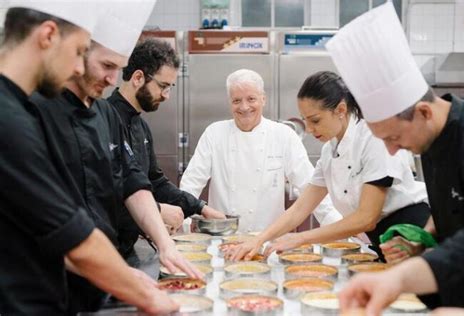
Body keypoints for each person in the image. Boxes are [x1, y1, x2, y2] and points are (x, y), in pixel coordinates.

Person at [0, 1, 177, 315]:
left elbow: (132, 179)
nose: (79, 68)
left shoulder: (103, 113)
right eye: (81, 51)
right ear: (48, 35)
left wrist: (160, 249)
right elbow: (64, 230)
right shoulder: (19, 116)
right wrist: (144, 293)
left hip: (85, 281)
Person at [325, 1, 464, 312]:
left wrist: (399, 280)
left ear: (423, 112)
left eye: (393, 138)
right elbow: (455, 207)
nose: (392, 150)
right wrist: (421, 237)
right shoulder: (430, 139)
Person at [228, 70, 430, 261]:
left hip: (412, 234)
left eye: (315, 120)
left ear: (340, 110)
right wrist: (259, 239)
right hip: (382, 240)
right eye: (306, 120)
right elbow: (300, 209)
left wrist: (300, 238)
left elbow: (367, 217)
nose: (309, 129)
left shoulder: (372, 138)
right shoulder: (329, 151)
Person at [180, 68, 342, 233]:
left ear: (263, 99)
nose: (244, 107)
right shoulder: (214, 133)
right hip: (222, 237)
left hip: (268, 238)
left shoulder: (283, 135)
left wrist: (336, 225)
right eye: (237, 100)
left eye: (251, 99)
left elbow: (308, 185)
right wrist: (181, 220)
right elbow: (192, 182)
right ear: (230, 102)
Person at [107, 38, 226, 254]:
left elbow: (155, 181)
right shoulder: (104, 120)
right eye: (162, 86)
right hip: (103, 248)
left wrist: (200, 207)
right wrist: (158, 211)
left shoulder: (141, 126)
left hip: (127, 247)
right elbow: (107, 194)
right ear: (138, 77)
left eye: (170, 87)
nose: (166, 96)